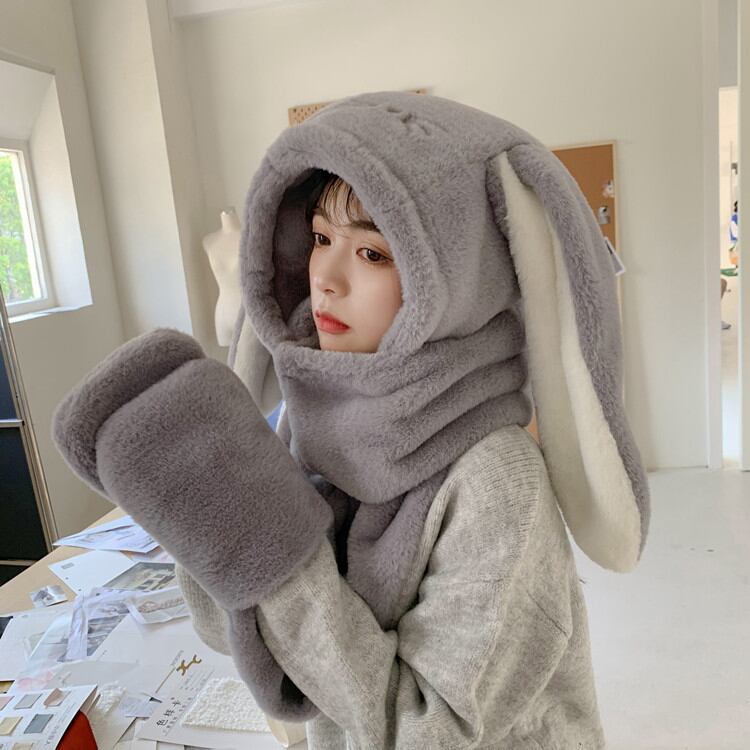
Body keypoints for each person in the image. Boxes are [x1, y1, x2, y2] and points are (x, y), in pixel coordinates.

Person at [51, 91, 650, 749]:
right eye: (320, 239)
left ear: (457, 283)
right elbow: (235, 631)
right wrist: (203, 512)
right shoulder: (310, 422)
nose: (326, 279)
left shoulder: (497, 483)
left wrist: (272, 552)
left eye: (373, 254)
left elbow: (427, 734)